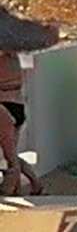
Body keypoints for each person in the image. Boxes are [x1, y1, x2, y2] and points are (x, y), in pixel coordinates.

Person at [0, 50, 38, 196]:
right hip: (17, 105)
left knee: (10, 157)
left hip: (3, 106)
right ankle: (34, 184)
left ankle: (9, 190)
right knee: (12, 154)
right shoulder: (13, 56)